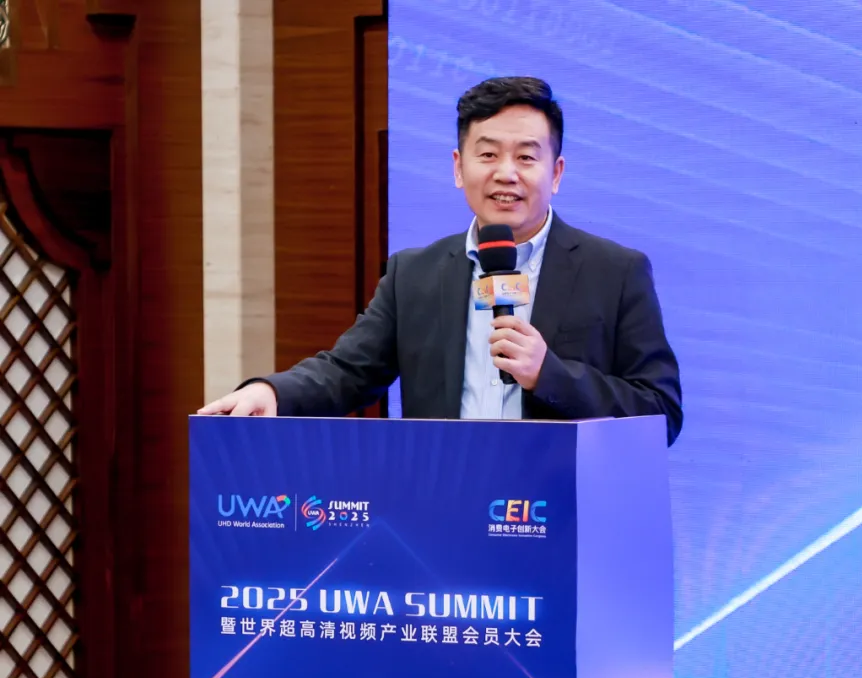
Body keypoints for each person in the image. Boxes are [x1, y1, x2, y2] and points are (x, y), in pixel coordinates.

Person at [198, 76, 683, 446]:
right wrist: (272, 393)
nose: (506, 173)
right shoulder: (414, 275)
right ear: (458, 167)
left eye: (526, 157)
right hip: (444, 507)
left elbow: (661, 412)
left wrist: (550, 375)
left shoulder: (615, 272)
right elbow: (346, 371)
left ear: (555, 173)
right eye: (487, 154)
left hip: (562, 513)